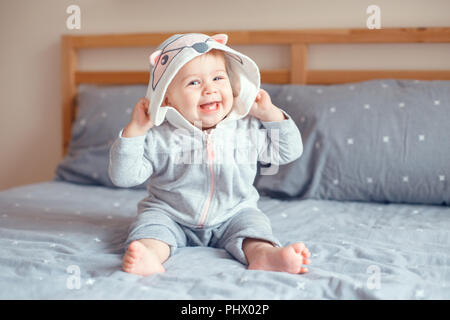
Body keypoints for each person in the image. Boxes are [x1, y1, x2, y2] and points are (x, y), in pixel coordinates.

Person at [109, 33, 311, 276]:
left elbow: (288, 153)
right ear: (167, 98)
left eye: (218, 78)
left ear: (233, 84)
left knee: (255, 229)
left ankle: (265, 256)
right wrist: (135, 131)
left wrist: (271, 115)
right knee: (151, 231)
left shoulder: (244, 128)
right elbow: (124, 177)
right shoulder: (159, 136)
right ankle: (149, 256)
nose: (209, 89)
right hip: (170, 214)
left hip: (234, 212)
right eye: (194, 83)